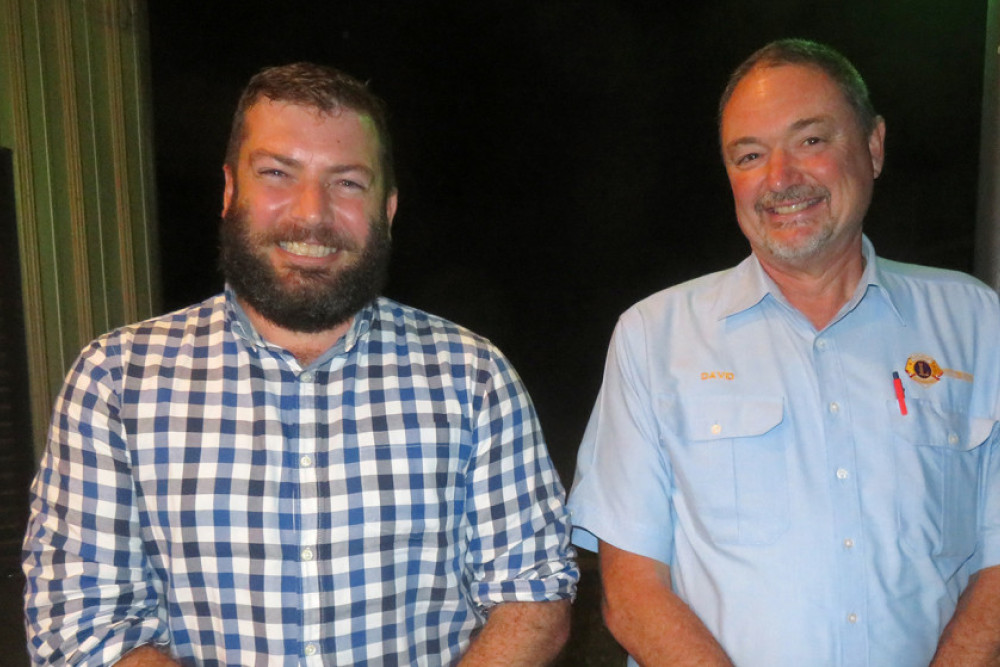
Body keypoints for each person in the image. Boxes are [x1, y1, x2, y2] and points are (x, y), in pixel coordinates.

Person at [23, 62, 577, 666]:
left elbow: (533, 597)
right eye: (278, 174)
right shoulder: (115, 381)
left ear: (386, 210)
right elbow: (83, 622)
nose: (312, 214)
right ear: (230, 190)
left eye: (347, 183)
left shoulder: (472, 378)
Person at [568, 38, 1000, 666]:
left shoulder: (976, 322)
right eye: (749, 155)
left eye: (811, 141)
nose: (780, 179)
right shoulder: (653, 337)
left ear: (874, 146)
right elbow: (632, 594)